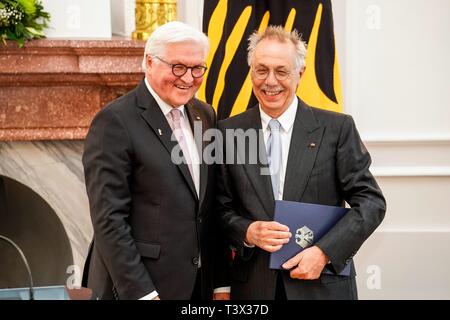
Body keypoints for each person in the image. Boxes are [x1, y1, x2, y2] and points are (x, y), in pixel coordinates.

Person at [215, 26, 386, 300]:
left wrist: (324, 252)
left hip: (322, 287)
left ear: (300, 73)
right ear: (250, 72)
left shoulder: (337, 128)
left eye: (281, 71)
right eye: (261, 70)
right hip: (253, 289)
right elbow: (219, 209)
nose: (270, 81)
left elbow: (371, 203)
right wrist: (247, 231)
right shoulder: (227, 132)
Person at [82, 21, 229, 300]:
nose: (188, 78)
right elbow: (109, 220)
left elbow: (208, 208)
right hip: (140, 288)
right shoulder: (114, 122)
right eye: (178, 67)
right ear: (149, 62)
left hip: (198, 285)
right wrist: (144, 294)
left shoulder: (205, 115)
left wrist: (220, 284)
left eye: (197, 68)